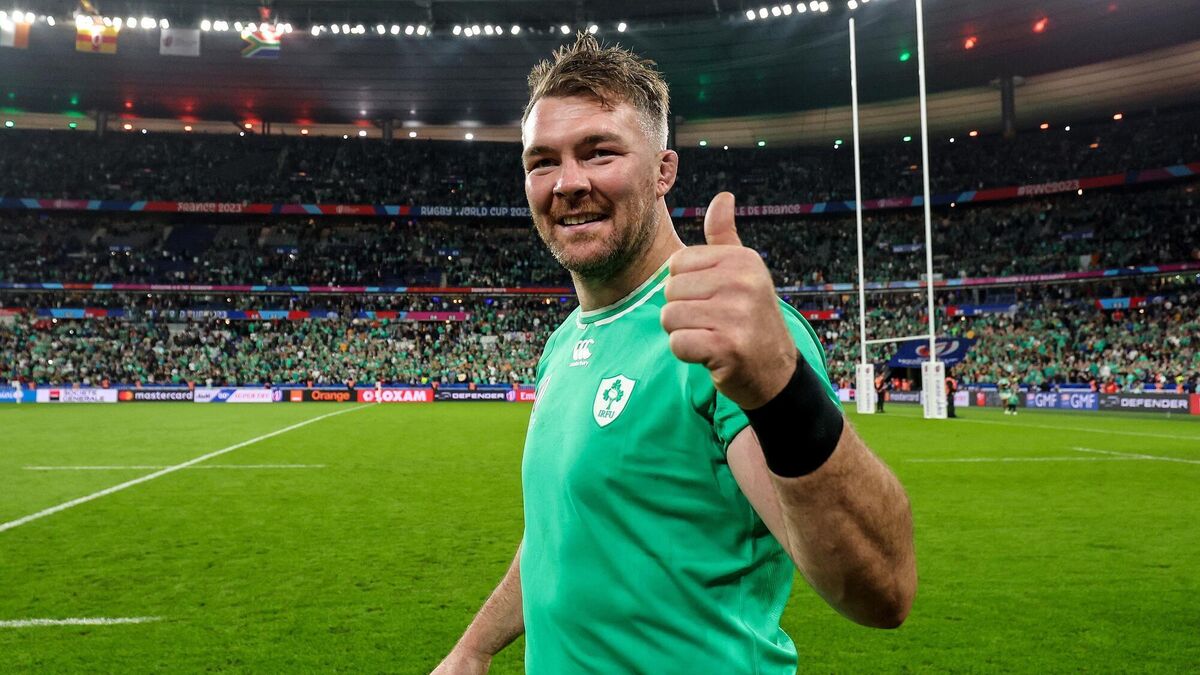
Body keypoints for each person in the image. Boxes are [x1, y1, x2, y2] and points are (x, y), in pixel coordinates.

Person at [433, 34, 916, 675]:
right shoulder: (564, 342)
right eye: (542, 162)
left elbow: (882, 590)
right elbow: (564, 534)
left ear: (664, 171)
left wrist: (781, 385)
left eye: (599, 152)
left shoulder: (726, 329)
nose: (568, 183)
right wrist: (472, 649)